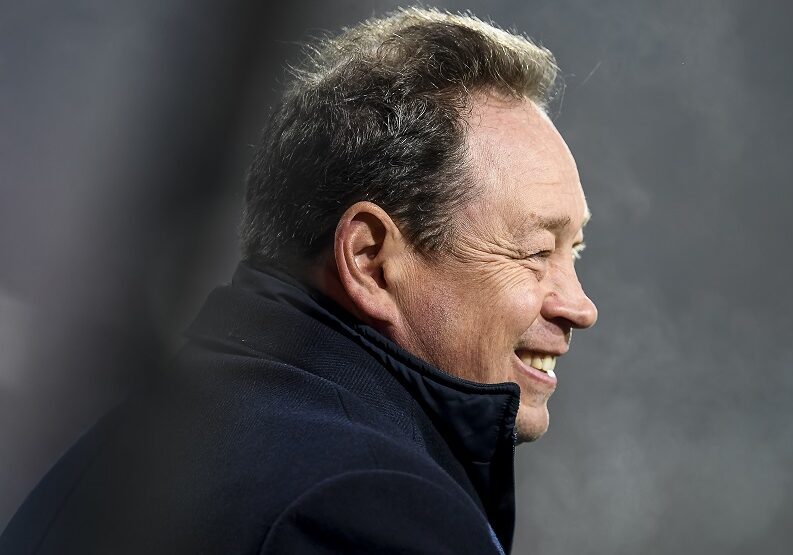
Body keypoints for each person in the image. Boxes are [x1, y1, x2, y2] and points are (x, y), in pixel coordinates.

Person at [0, 7, 597, 554]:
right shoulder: (368, 507)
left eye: (575, 251)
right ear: (369, 260)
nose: (580, 306)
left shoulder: (133, 445)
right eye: (536, 252)